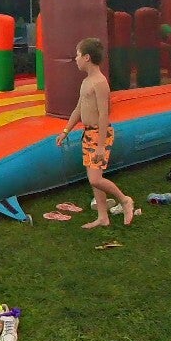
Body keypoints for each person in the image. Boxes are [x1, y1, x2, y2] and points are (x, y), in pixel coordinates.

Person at [55, 37, 135, 229]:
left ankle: (125, 200)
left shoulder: (100, 82)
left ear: (87, 57)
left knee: (95, 179)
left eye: (78, 55)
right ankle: (102, 217)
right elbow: (78, 110)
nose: (75, 59)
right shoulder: (86, 82)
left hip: (100, 134)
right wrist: (65, 131)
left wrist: (100, 145)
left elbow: (104, 114)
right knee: (95, 180)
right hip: (88, 134)